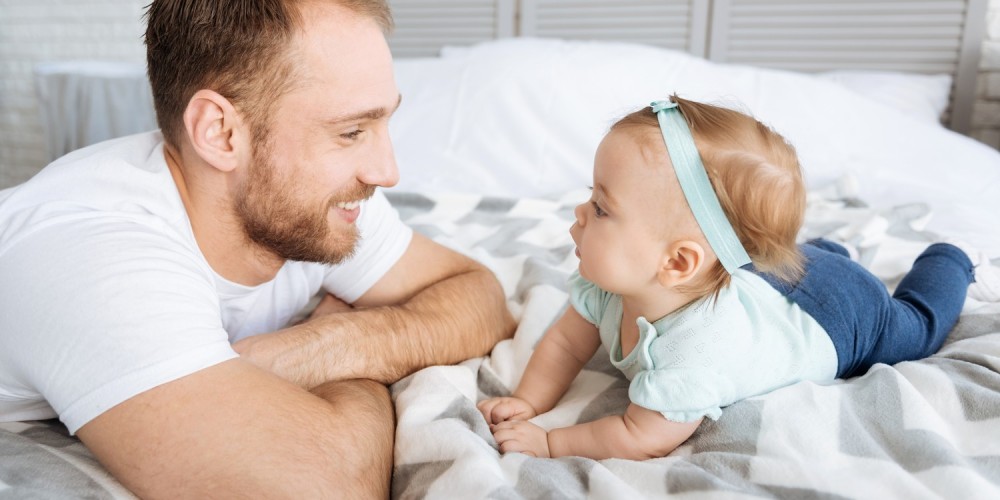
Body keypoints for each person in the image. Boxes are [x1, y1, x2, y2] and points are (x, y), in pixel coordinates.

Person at [0, 0, 514, 497]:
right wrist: (362, 371)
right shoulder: (96, 257)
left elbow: (479, 295)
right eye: (352, 131)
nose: (386, 172)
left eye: (383, 124)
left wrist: (328, 346)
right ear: (221, 133)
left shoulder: (315, 201)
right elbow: (328, 487)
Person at [476, 95, 980, 461]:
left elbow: (640, 435)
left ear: (677, 263)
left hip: (840, 318)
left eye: (602, 208)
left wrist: (550, 441)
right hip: (766, 280)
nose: (581, 210)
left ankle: (949, 258)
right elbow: (565, 343)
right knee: (779, 263)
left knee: (916, 327)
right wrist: (528, 401)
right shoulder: (609, 283)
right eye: (592, 194)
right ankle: (826, 254)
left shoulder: (695, 352)